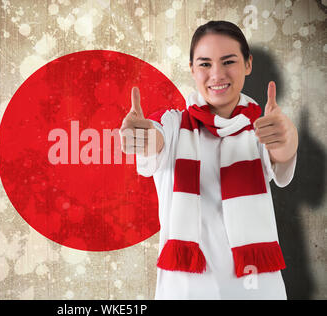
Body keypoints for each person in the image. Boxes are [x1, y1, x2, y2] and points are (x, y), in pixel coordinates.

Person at [119, 21, 298, 300]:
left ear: (248, 64)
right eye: (204, 64)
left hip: (257, 291)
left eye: (228, 61)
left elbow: (281, 152)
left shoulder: (262, 129)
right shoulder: (172, 126)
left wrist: (287, 137)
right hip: (187, 292)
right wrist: (141, 138)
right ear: (192, 68)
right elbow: (153, 140)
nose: (217, 74)